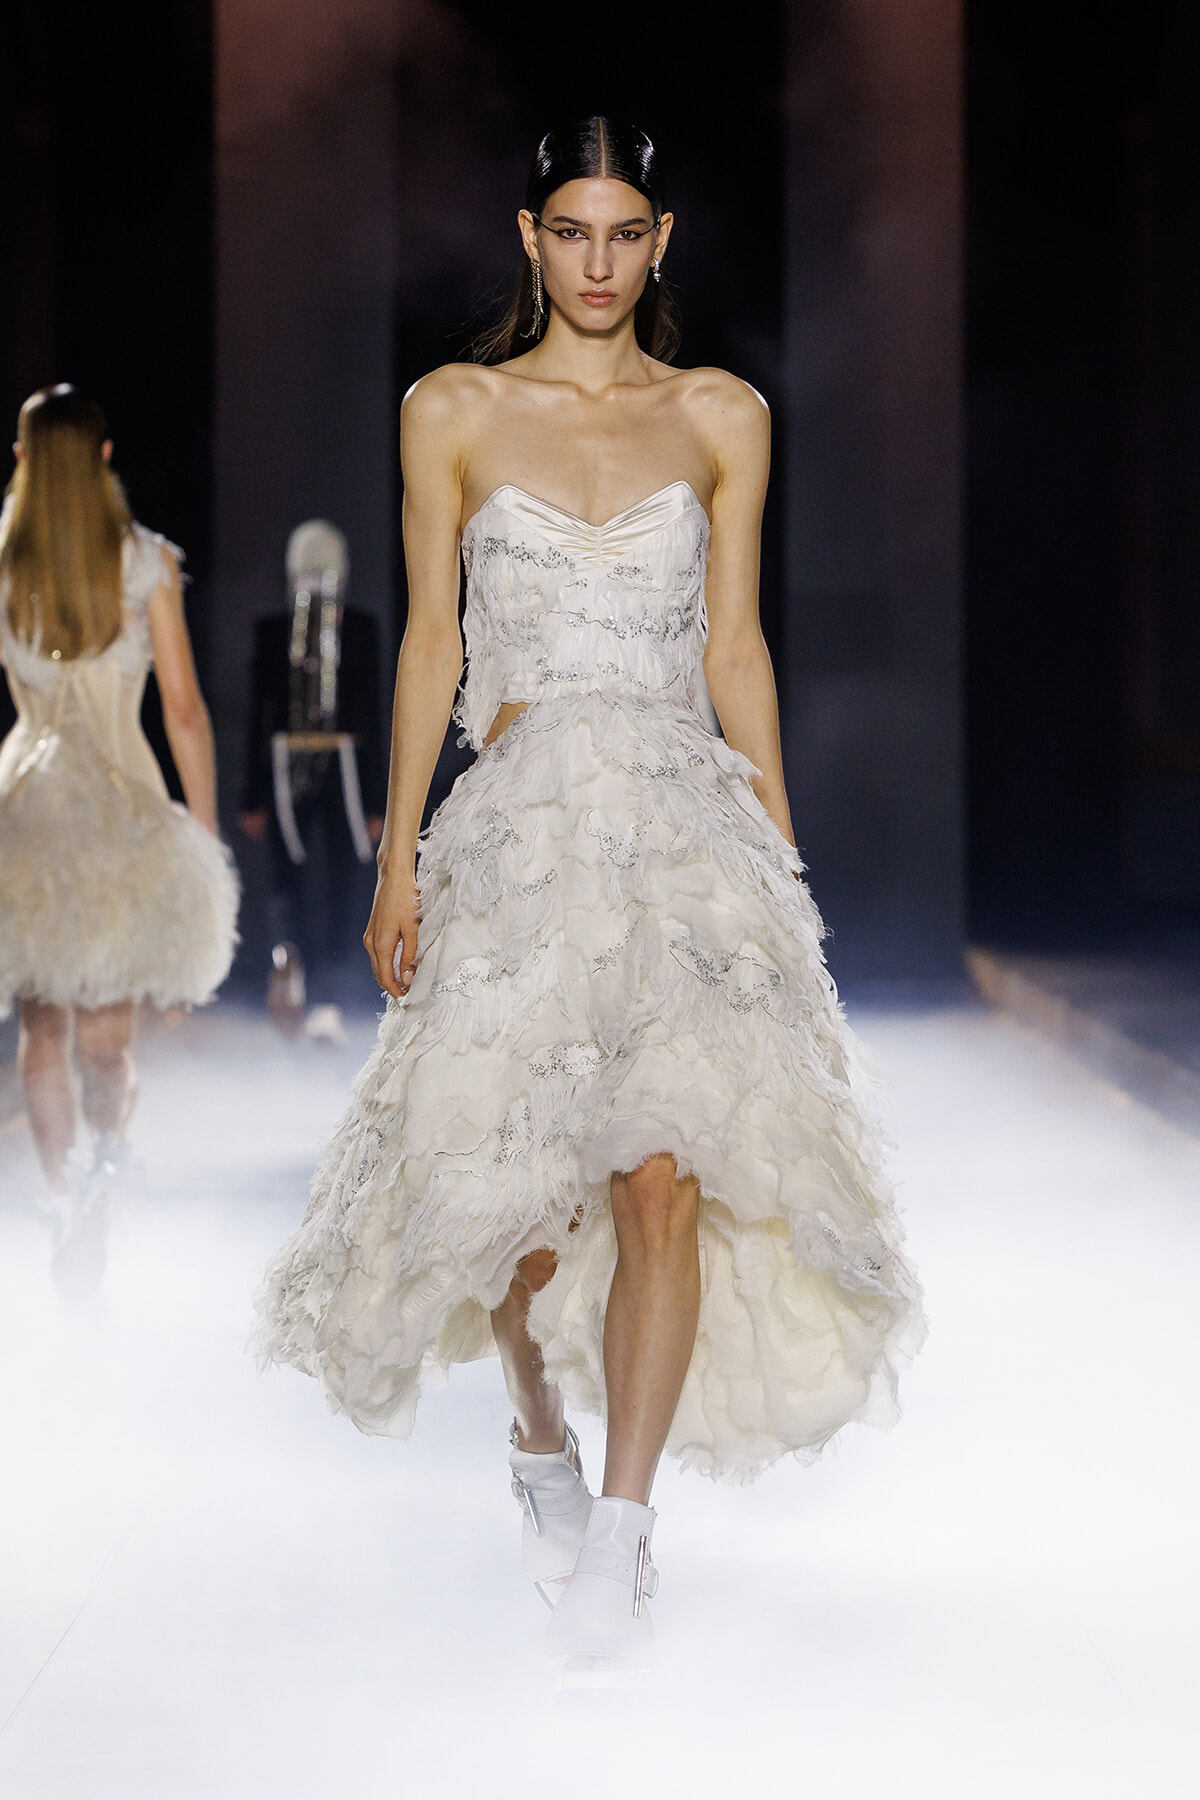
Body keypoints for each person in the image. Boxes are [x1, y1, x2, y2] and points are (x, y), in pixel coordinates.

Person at [254, 117, 925, 1686]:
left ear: (663, 238)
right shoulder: (454, 410)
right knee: (518, 1214)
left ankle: (620, 1535)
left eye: (627, 233)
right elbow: (431, 644)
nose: (601, 261)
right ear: (530, 237)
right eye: (574, 231)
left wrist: (780, 856)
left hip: (683, 825)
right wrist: (397, 853)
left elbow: (735, 645)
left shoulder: (723, 416)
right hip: (520, 827)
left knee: (665, 1177)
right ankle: (540, 1429)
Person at [0, 385, 238, 1237]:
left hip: (24, 811)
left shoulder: (2, 559)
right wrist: (201, 833)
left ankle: (63, 1201)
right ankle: (102, 1171)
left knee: (41, 1032)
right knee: (109, 1042)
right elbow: (183, 711)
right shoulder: (145, 561)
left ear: (23, 457)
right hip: (124, 810)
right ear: (104, 457)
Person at [238, 520, 386, 1042]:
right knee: (325, 881)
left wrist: (251, 795)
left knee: (302, 878)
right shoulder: (357, 628)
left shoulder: (279, 630)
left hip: (311, 767)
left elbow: (261, 716)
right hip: (319, 768)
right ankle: (316, 989)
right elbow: (369, 717)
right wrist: (376, 802)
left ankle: (300, 966)